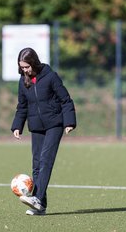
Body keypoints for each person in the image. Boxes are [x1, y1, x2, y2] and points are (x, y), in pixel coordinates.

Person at [11, 47, 77, 216]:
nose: (24, 70)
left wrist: (69, 122)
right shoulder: (22, 81)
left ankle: (37, 198)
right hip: (36, 126)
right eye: (22, 67)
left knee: (45, 160)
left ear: (34, 62)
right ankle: (41, 206)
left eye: (27, 66)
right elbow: (22, 106)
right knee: (36, 165)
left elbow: (66, 100)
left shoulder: (51, 77)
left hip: (54, 124)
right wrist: (17, 125)